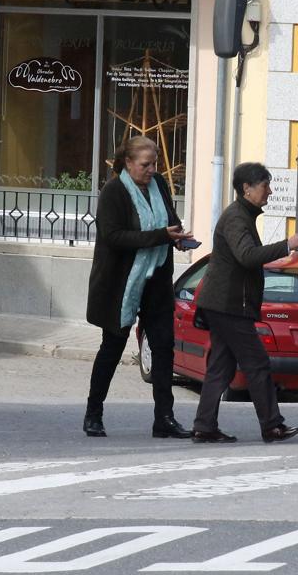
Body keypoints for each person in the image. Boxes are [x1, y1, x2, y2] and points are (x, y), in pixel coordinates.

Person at [84, 135, 194, 439]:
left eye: (154, 163)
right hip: (122, 283)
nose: (151, 169)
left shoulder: (159, 183)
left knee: (163, 348)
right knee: (112, 347)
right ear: (128, 163)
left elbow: (169, 221)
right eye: (145, 164)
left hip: (157, 278)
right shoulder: (113, 191)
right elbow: (114, 236)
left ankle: (165, 418)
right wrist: (162, 235)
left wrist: (179, 237)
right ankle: (94, 413)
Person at [190, 162, 298, 444]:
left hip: (225, 304)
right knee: (257, 364)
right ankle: (272, 425)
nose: (270, 191)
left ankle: (204, 426)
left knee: (220, 367)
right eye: (265, 185)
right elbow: (247, 256)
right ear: (246, 188)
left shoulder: (241, 215)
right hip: (229, 306)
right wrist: (287, 244)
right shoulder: (236, 218)